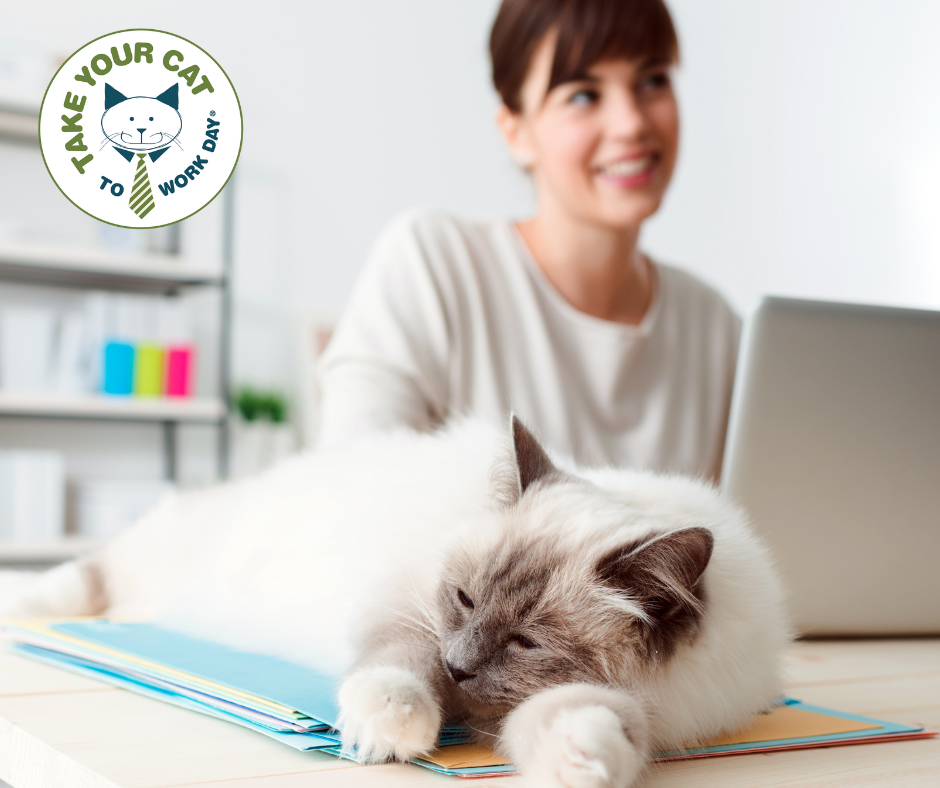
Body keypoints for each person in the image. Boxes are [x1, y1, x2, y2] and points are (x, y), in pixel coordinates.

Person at [316, 0, 740, 482]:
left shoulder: (716, 328)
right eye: (583, 94)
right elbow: (347, 495)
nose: (632, 123)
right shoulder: (433, 266)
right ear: (515, 131)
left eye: (652, 80)